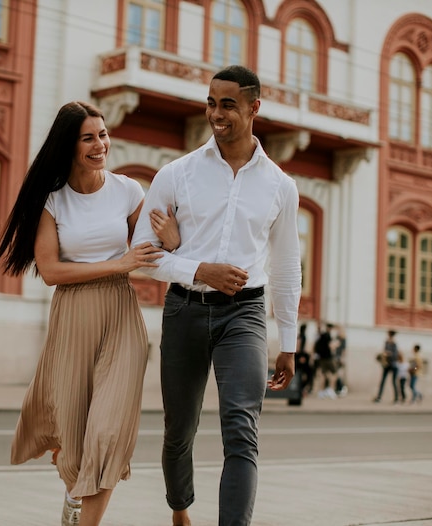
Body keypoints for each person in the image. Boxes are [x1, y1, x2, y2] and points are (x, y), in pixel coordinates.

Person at [0, 101, 178, 526]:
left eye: (104, 134)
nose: (101, 145)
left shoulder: (129, 190)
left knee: (109, 431)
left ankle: (86, 519)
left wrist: (172, 238)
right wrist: (120, 263)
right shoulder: (52, 201)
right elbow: (52, 271)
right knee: (74, 439)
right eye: (89, 137)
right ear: (69, 145)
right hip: (73, 317)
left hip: (120, 315)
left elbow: (155, 247)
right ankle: (75, 496)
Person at [131, 65, 302, 526]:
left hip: (245, 315)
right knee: (178, 431)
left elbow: (286, 266)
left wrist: (289, 341)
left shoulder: (281, 187)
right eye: (211, 102)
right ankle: (180, 508)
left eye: (228, 104)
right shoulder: (176, 174)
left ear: (253, 108)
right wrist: (197, 267)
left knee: (241, 432)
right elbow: (140, 254)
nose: (216, 113)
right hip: (184, 308)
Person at [373, 329, 400, 403]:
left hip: (393, 365)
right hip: (386, 365)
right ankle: (379, 397)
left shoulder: (394, 344)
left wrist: (389, 353)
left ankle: (396, 398)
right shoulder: (386, 342)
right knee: (382, 381)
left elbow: (395, 355)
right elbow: (384, 352)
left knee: (394, 382)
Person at [315, 323, 337, 399]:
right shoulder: (328, 336)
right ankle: (330, 390)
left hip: (321, 358)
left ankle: (321, 391)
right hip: (328, 358)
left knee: (323, 374)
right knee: (334, 373)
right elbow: (331, 346)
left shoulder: (321, 335)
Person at [295, 323, 313, 395]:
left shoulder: (300, 336)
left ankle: (300, 388)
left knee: (301, 373)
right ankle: (300, 388)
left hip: (301, 356)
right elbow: (299, 347)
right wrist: (301, 356)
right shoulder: (302, 336)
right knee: (306, 373)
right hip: (301, 357)